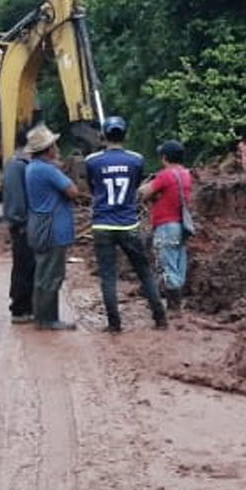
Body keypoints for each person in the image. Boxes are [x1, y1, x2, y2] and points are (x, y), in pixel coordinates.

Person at [84, 115, 167, 333]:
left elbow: (93, 188)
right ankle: (160, 317)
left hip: (102, 224)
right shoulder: (136, 159)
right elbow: (135, 185)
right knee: (144, 272)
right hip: (128, 224)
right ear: (125, 134)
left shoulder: (92, 161)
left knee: (108, 276)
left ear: (103, 135)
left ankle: (114, 324)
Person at [21, 125, 88, 330]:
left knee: (42, 273)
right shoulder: (47, 170)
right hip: (52, 228)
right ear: (48, 149)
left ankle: (41, 316)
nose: (57, 148)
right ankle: (48, 320)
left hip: (39, 226)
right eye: (54, 145)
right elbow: (73, 191)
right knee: (52, 274)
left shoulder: (33, 167)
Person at [140, 139, 195, 312]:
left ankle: (174, 308)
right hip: (181, 226)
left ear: (164, 158)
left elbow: (144, 193)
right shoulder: (186, 174)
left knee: (168, 264)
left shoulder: (166, 175)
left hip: (166, 226)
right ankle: (177, 305)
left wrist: (145, 187)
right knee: (179, 263)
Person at [2, 126, 36, 324]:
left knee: (27, 266)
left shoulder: (22, 164)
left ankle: (25, 306)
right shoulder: (17, 166)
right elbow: (16, 198)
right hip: (22, 225)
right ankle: (20, 308)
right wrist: (20, 222)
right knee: (24, 265)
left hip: (25, 223)